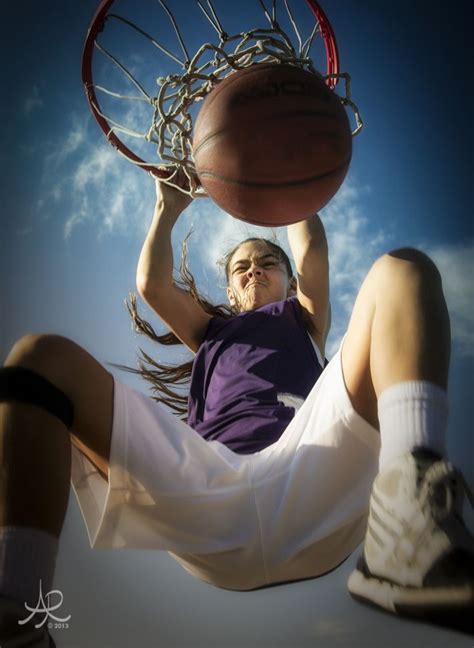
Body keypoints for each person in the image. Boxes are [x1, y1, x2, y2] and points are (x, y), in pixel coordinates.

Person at [1, 173, 473, 647]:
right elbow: (152, 284)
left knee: (402, 269)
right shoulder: (210, 332)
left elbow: (311, 250)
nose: (253, 270)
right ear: (230, 290)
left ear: (290, 283)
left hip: (310, 459)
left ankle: (410, 524)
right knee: (40, 357)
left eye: (268, 263)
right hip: (206, 482)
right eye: (241, 267)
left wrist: (282, 174)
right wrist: (167, 206)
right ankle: (18, 619)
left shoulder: (302, 317)